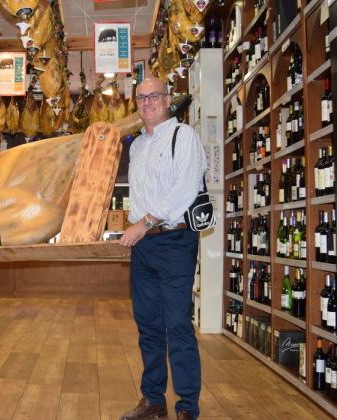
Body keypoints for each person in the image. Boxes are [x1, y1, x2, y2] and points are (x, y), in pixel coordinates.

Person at [119, 78, 206, 420]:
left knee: (177, 325)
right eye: (140, 98)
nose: (146, 102)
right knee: (148, 325)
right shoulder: (138, 145)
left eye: (153, 95)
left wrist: (145, 223)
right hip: (144, 247)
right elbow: (138, 199)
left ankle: (187, 408)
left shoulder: (183, 136)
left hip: (174, 241)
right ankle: (153, 400)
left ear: (168, 99)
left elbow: (185, 189)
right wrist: (133, 225)